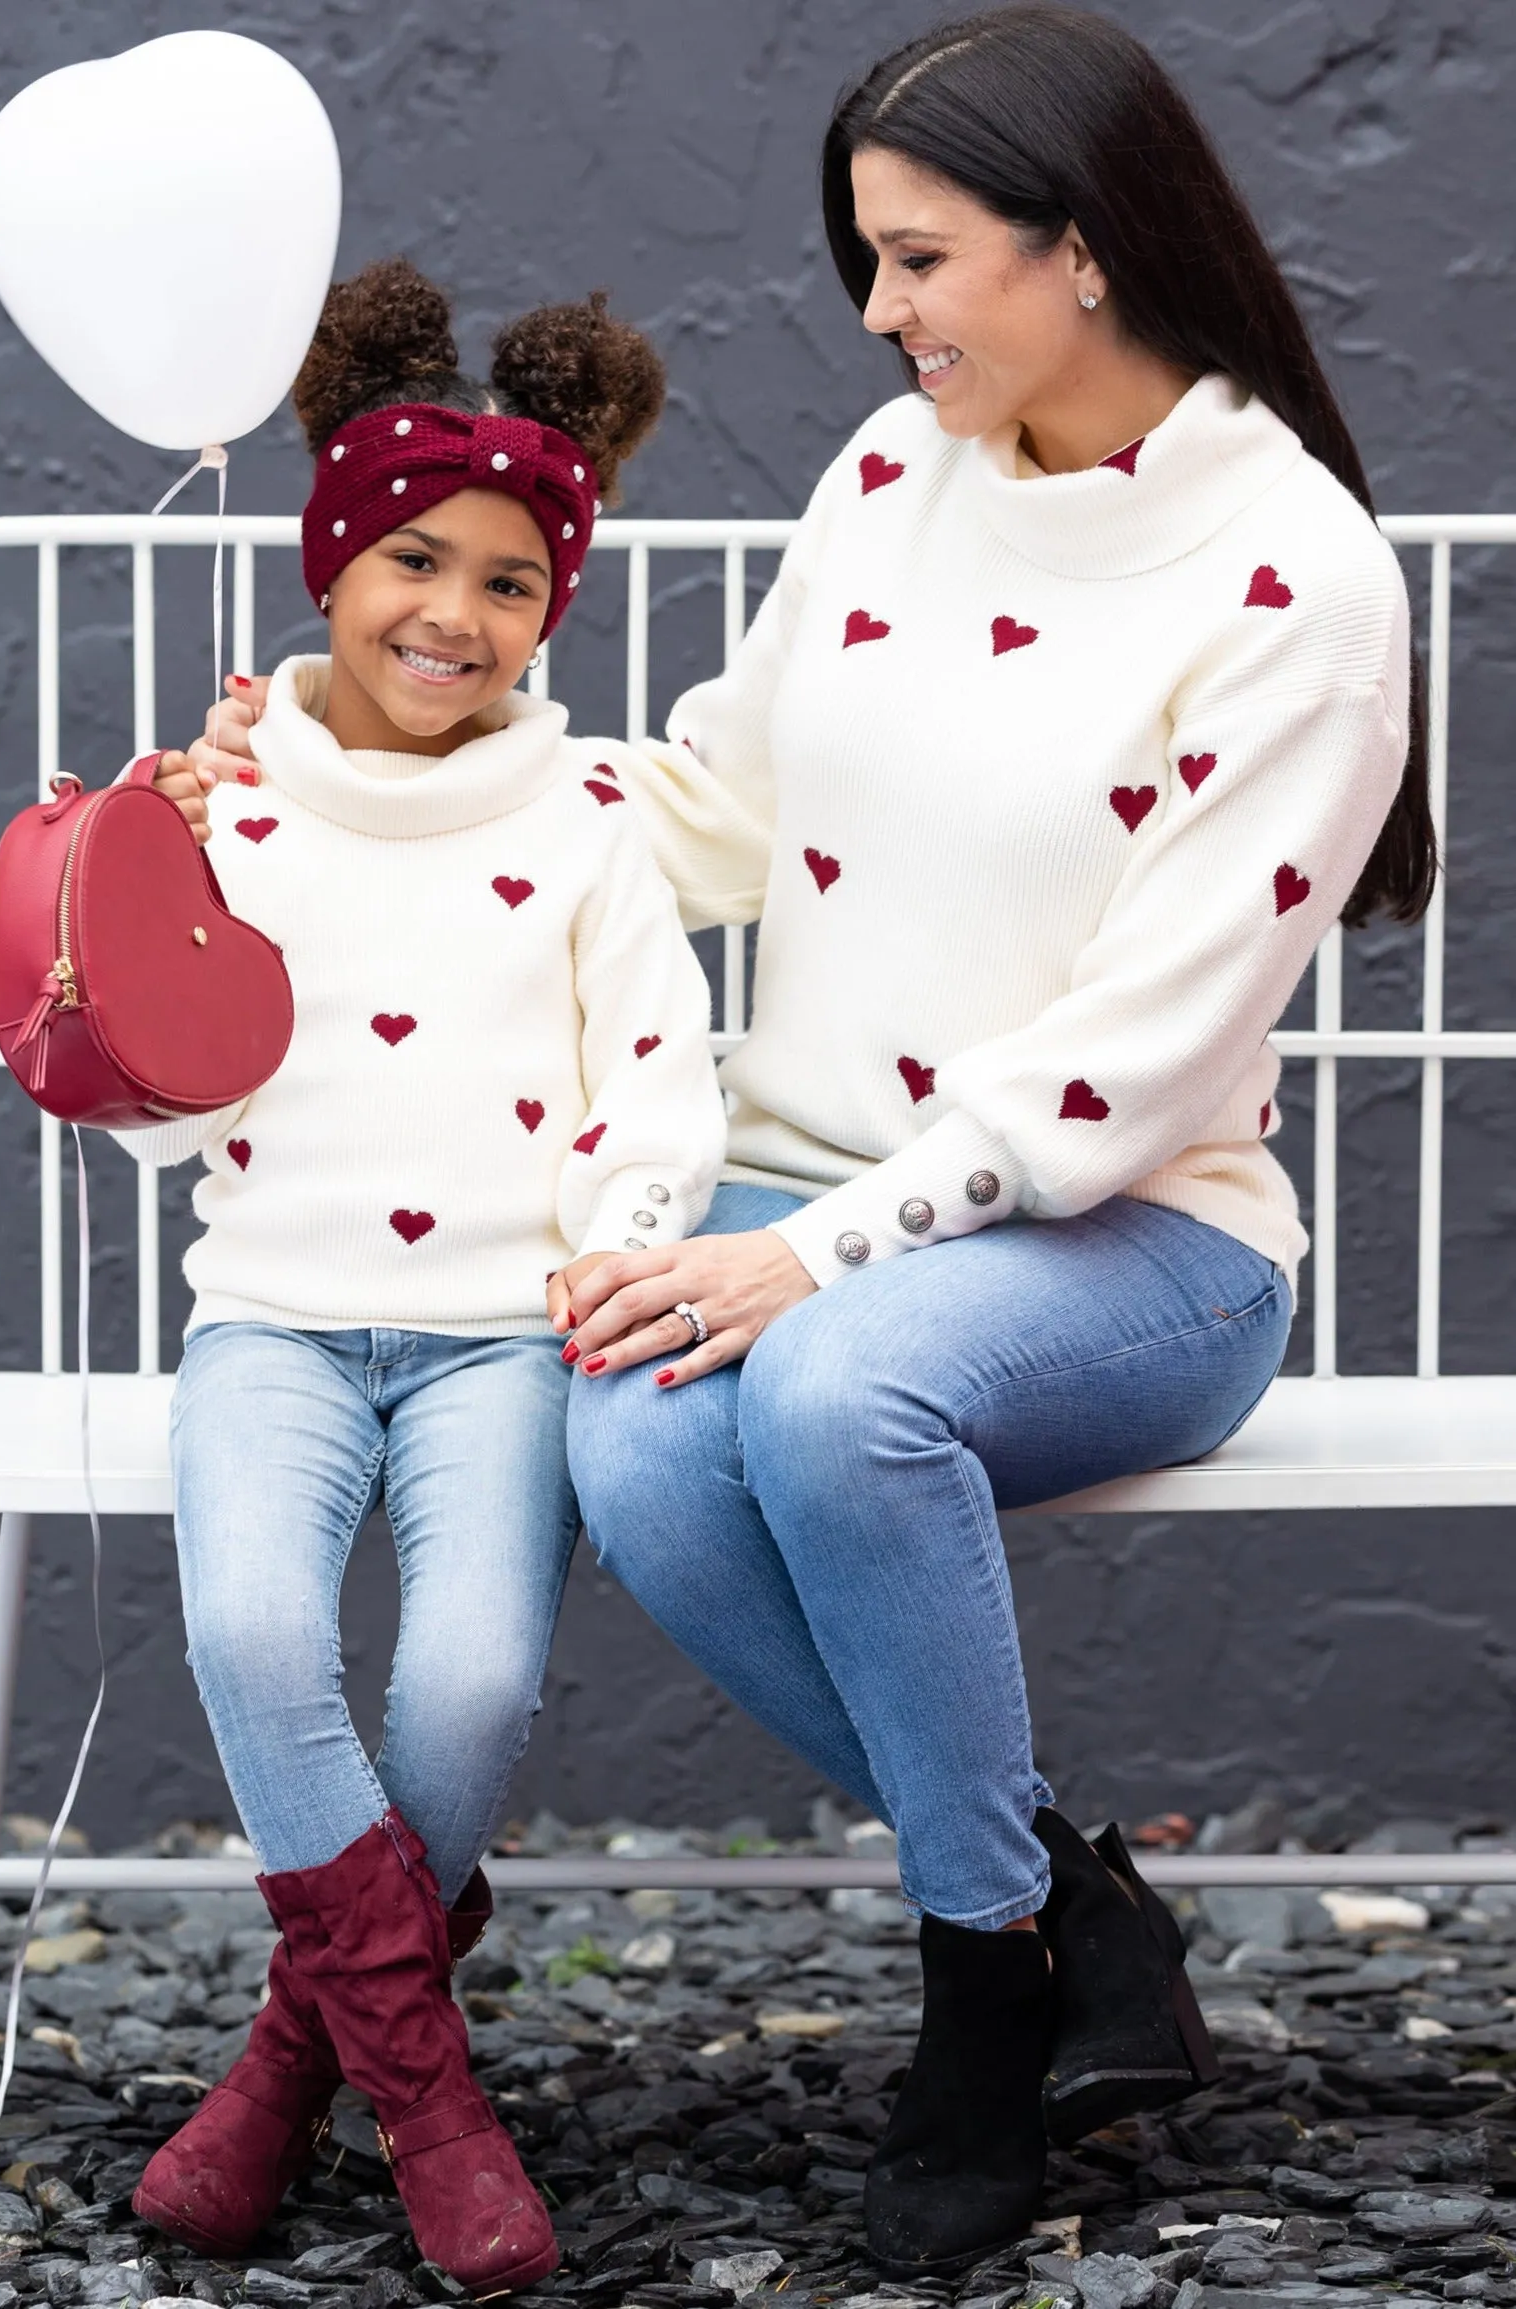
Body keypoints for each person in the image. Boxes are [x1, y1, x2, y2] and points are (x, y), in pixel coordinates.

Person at [193, 3, 1432, 2275]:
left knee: (841, 1395)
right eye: (868, 260)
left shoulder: (1300, 584)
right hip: (801, 1180)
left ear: (1086, 249)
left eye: (918, 259)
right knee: (647, 1441)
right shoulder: (897, 477)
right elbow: (709, 803)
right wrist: (332, 774)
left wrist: (812, 1255)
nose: (876, 315)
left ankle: (978, 1999)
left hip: (1129, 1231)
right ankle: (1072, 1907)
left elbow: (1131, 1066)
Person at [120, 258, 725, 2294]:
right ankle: (431, 2097)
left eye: (507, 582)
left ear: (553, 607)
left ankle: (300, 2055)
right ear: (325, 562)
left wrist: (625, 1252)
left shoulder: (586, 815)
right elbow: (139, 1110)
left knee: (466, 1669)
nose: (450, 616)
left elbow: (659, 1079)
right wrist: (149, 891)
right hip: (273, 1313)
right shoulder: (225, 791)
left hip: (499, 1336)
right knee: (254, 1629)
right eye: (409, 559)